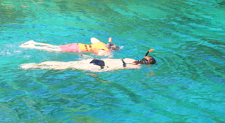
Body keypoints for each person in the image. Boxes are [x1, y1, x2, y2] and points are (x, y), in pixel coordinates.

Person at [20, 51, 156, 72]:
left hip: (99, 60)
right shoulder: (136, 67)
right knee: (68, 67)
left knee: (68, 65)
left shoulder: (131, 59)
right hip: (102, 66)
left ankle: (37, 65)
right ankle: (35, 67)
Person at [20, 37, 120, 55]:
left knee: (55, 47)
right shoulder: (103, 51)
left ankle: (35, 42)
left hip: (76, 44)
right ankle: (33, 46)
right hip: (76, 49)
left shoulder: (100, 44)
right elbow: (99, 56)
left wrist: (103, 44)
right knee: (54, 50)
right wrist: (108, 53)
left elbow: (92, 38)